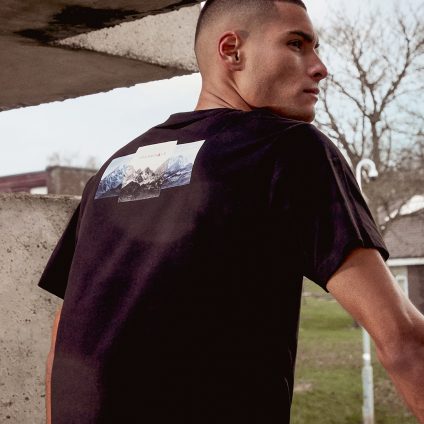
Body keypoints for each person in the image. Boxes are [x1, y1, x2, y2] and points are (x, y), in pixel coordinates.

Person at [39, 0, 424, 423]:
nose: (320, 67)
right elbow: (403, 340)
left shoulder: (115, 170)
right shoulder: (287, 149)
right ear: (231, 51)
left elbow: (63, 342)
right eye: (297, 44)